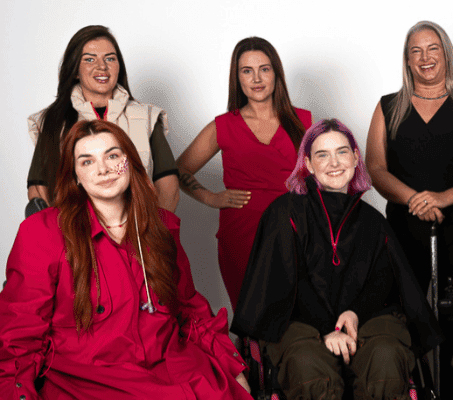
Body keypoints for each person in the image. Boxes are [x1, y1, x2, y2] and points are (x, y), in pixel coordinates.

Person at [1, 119, 251, 399]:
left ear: (130, 162)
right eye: (87, 162)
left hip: (171, 369)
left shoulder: (163, 225)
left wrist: (234, 369)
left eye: (112, 156)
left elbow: (190, 311)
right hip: (87, 381)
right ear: (74, 176)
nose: (103, 169)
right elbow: (17, 338)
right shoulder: (42, 233)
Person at [231, 119, 442, 399]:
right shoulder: (284, 212)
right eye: (322, 154)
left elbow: (384, 281)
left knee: (386, 358)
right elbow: (288, 281)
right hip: (298, 321)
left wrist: (353, 314)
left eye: (342, 152)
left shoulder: (372, 221)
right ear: (307, 163)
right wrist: (328, 330)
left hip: (364, 318)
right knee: (310, 368)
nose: (334, 163)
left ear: (356, 157)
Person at [365, 21, 453, 398]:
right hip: (403, 228)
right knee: (402, 313)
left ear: (446, 54)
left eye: (433, 49)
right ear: (407, 60)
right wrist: (413, 199)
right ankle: (414, 390)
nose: (425, 58)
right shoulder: (388, 106)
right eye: (416, 51)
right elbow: (375, 167)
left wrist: (444, 198)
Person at [176, 37, 311, 309]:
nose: (256, 78)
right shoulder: (224, 126)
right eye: (246, 71)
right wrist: (211, 198)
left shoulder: (303, 121)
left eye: (264, 68)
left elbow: (322, 175)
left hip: (294, 232)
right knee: (251, 317)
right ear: (237, 78)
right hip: (241, 236)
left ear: (276, 73)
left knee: (295, 317)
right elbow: (178, 169)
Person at [27, 25, 179, 214]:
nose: (102, 66)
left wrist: (153, 232)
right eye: (90, 59)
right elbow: (38, 189)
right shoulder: (51, 120)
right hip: (73, 235)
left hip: (137, 233)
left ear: (119, 67)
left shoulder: (145, 116)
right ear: (75, 70)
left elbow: (168, 185)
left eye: (110, 58)